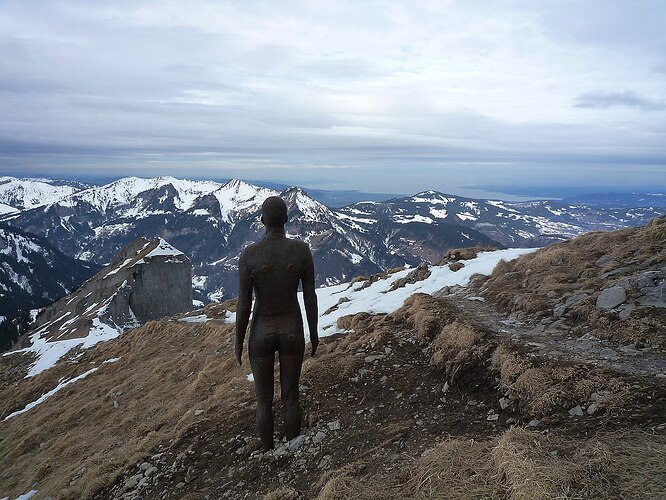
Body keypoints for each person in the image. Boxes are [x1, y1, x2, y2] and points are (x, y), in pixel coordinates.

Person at [235, 196, 319, 451]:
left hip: (261, 330)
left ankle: (267, 450)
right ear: (286, 220)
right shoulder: (301, 250)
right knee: (291, 395)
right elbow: (309, 295)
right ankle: (293, 449)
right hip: (292, 327)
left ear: (262, 221)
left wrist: (239, 340)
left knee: (263, 400)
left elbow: (243, 304)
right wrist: (313, 332)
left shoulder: (249, 255)